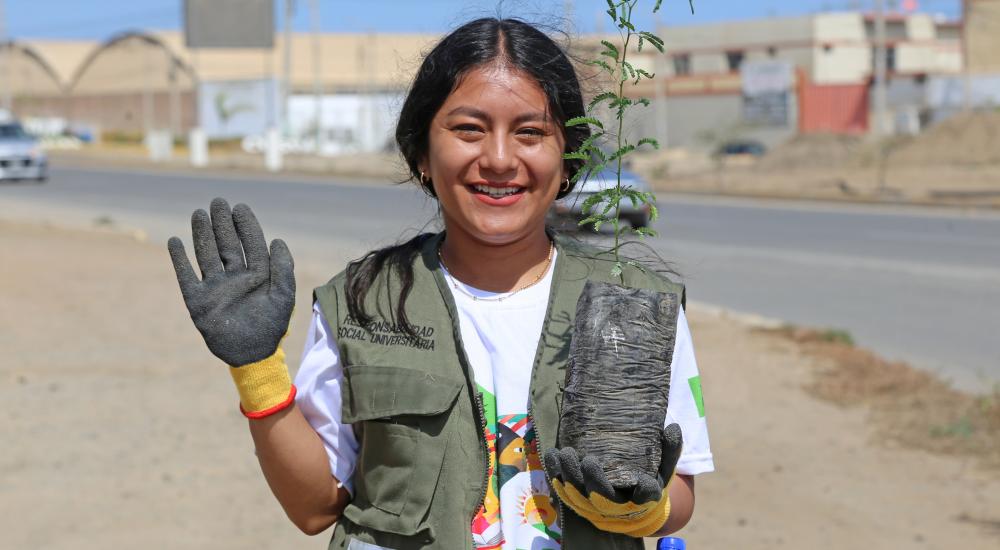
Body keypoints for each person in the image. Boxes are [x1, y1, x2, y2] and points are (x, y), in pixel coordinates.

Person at [168, 17, 713, 550]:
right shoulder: (359, 303)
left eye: (530, 132)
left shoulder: (636, 305)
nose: (499, 159)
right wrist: (258, 374)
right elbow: (314, 509)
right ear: (422, 154)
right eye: (469, 129)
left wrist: (643, 509)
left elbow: (680, 495)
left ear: (568, 157)